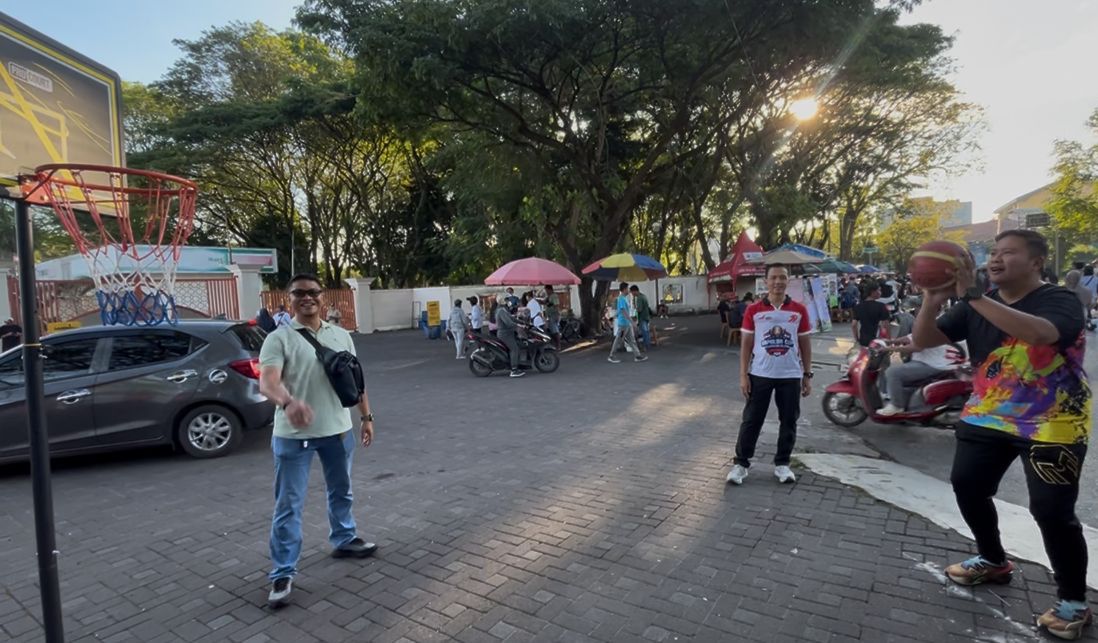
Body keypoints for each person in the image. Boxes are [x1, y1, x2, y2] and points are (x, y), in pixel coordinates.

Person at [911, 230, 1091, 639]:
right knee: (967, 487)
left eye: (1008, 253)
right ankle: (993, 560)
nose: (995, 259)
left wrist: (974, 295)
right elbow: (923, 340)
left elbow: (1041, 334)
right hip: (987, 416)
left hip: (1054, 422)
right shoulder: (978, 303)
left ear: (1036, 262)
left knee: (1051, 512)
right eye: (992, 252)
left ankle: (1074, 602)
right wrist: (930, 299)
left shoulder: (1059, 300)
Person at [258, 274, 377, 609]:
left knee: (341, 490)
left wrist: (366, 417)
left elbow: (356, 379)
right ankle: (282, 571)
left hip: (337, 431)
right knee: (288, 505)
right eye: (299, 293)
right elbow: (267, 382)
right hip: (293, 437)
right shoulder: (278, 338)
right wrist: (288, 402)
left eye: (313, 292)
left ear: (322, 297)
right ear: (288, 299)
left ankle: (344, 538)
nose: (307, 298)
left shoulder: (340, 335)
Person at [727, 264, 812, 485]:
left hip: (790, 374)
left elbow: (804, 343)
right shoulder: (754, 310)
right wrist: (743, 375)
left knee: (789, 421)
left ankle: (782, 464)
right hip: (760, 374)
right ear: (766, 281)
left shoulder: (799, 310)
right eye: (773, 278)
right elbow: (746, 344)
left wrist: (807, 374)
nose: (778, 282)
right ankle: (741, 464)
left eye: (782, 277)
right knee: (752, 420)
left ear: (788, 281)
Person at [877, 335, 966, 415]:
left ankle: (896, 406)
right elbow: (910, 338)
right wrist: (890, 341)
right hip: (933, 361)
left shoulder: (930, 323)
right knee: (899, 373)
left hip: (933, 364)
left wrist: (888, 349)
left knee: (893, 372)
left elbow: (917, 347)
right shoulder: (928, 323)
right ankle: (906, 404)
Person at [608, 282, 647, 363]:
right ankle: (611, 355)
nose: (628, 290)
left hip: (627, 324)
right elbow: (623, 311)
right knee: (618, 339)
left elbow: (620, 311)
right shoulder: (621, 299)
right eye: (627, 288)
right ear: (624, 289)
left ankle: (637, 355)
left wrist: (614, 317)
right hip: (623, 324)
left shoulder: (624, 298)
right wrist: (632, 321)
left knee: (632, 340)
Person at [852, 283, 891, 348]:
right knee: (877, 356)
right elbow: (886, 325)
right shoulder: (881, 306)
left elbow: (854, 325)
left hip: (863, 339)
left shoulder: (858, 306)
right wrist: (889, 340)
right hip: (877, 340)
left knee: (864, 356)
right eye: (879, 290)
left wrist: (856, 339)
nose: (880, 292)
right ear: (873, 292)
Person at [495, 298, 525, 378]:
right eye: (506, 301)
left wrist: (522, 322)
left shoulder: (503, 310)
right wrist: (518, 326)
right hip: (505, 334)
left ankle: (515, 364)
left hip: (508, 333)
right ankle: (514, 370)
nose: (508, 302)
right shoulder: (501, 311)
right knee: (514, 349)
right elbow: (508, 323)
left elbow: (512, 319)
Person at [630, 285, 653, 350]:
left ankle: (646, 346)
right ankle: (648, 345)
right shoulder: (643, 296)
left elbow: (639, 309)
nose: (632, 294)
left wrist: (635, 309)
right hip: (646, 316)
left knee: (644, 332)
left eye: (632, 292)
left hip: (642, 317)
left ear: (634, 291)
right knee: (646, 331)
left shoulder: (639, 298)